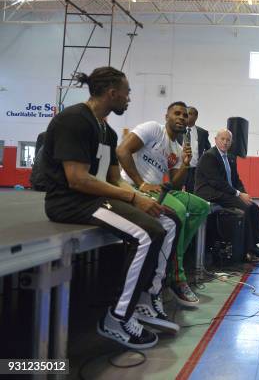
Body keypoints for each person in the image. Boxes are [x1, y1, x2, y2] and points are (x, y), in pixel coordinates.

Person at [41, 67, 180, 349]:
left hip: (92, 199)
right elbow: (77, 179)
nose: (129, 98)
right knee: (148, 233)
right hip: (69, 202)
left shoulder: (107, 130)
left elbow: (114, 178)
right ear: (112, 92)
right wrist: (131, 199)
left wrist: (141, 196)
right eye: (127, 93)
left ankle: (143, 299)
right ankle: (117, 317)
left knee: (167, 221)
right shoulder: (74, 120)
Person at [116, 102, 211, 308]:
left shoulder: (177, 147)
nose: (181, 118)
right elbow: (122, 150)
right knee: (179, 210)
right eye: (176, 113)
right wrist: (141, 183)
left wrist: (185, 163)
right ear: (166, 116)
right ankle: (177, 277)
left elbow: (175, 183)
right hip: (135, 187)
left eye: (184, 116)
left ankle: (169, 261)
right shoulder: (152, 129)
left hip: (159, 189)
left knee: (202, 206)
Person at [195, 129, 259, 261]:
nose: (225, 142)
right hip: (210, 193)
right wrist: (238, 194)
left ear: (231, 142)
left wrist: (244, 192)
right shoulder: (209, 156)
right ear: (216, 140)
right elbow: (217, 182)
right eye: (222, 139)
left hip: (225, 192)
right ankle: (247, 252)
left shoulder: (230, 157)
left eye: (228, 140)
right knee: (245, 208)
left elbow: (236, 179)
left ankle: (254, 245)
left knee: (253, 206)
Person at [178, 106, 211, 193]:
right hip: (179, 168)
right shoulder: (177, 130)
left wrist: (203, 163)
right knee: (177, 191)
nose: (186, 116)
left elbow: (209, 150)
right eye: (185, 114)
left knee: (193, 193)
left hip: (194, 170)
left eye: (189, 114)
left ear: (196, 117)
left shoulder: (203, 133)